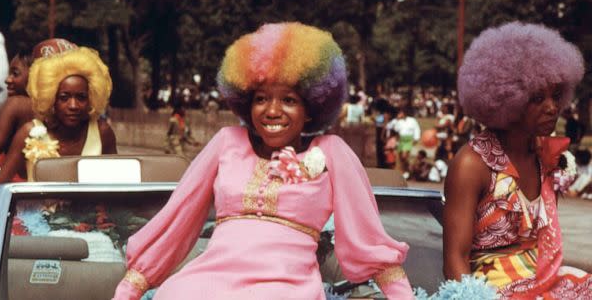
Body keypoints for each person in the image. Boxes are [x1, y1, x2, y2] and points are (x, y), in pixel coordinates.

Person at [113, 22, 413, 300]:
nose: (272, 111)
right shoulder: (226, 142)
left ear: (310, 107)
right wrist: (127, 292)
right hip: (205, 283)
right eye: (261, 99)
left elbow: (369, 238)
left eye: (289, 100)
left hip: (287, 290)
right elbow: (177, 221)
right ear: (246, 102)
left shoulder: (333, 151)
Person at [443, 22, 591, 298]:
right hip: (490, 288)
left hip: (542, 276)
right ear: (505, 99)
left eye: (556, 95)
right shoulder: (472, 165)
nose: (552, 107)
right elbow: (454, 261)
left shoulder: (547, 157)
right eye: (537, 98)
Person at [0, 43, 117, 211]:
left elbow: (118, 191)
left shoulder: (102, 132)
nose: (73, 105)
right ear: (51, 99)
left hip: (89, 229)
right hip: (36, 231)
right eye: (64, 97)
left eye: (81, 97)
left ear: (91, 98)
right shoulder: (29, 133)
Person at [0, 48, 35, 184]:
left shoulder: (15, 104)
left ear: (35, 75)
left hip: (15, 194)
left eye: (15, 73)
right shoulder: (60, 111)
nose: (7, 79)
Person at [385, 106, 421, 176]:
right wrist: (396, 120)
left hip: (408, 140)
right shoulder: (397, 121)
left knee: (404, 156)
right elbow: (389, 126)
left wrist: (416, 138)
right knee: (401, 158)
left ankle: (409, 169)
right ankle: (406, 170)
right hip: (401, 140)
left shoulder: (412, 120)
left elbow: (416, 129)